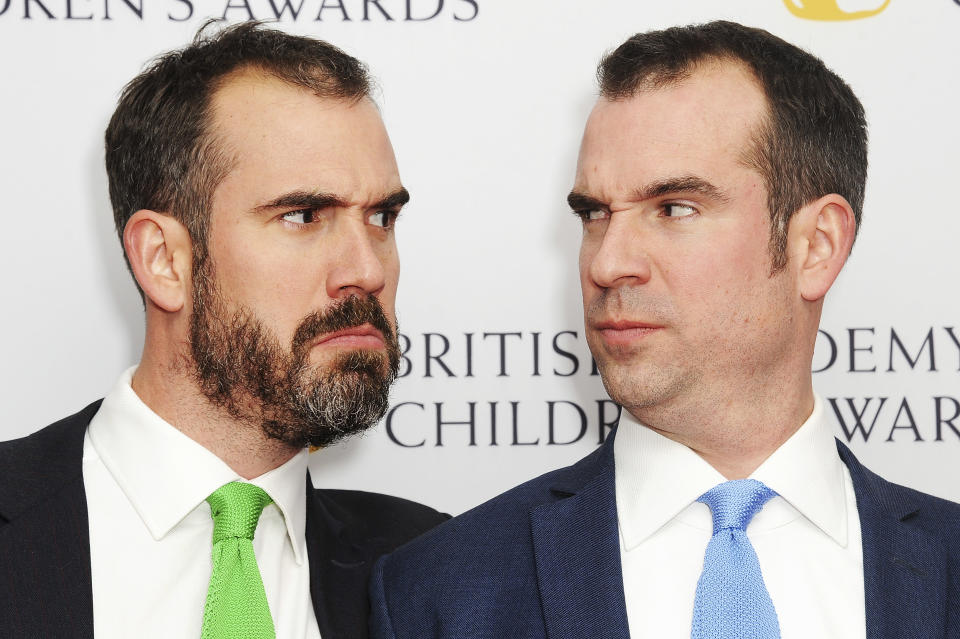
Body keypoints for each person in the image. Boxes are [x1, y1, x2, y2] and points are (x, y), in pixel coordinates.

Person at [369, 20, 960, 639]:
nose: (606, 263)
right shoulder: (442, 593)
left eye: (673, 208)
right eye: (595, 214)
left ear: (817, 246)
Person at [0, 22, 447, 639]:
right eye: (303, 215)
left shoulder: (438, 569)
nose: (367, 270)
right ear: (163, 259)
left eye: (380, 216)